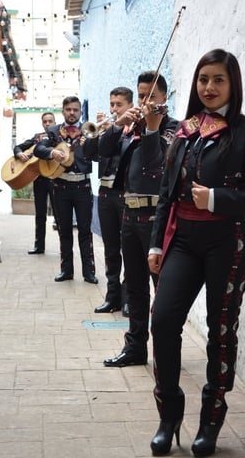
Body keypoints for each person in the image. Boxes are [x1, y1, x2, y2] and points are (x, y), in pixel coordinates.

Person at [147, 49, 245, 457]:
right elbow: (166, 193)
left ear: (232, 84)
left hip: (228, 242)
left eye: (218, 80)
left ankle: (210, 422)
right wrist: (155, 242)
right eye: (203, 79)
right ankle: (169, 416)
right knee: (163, 322)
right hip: (181, 239)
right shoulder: (181, 131)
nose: (209, 88)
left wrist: (216, 199)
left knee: (220, 334)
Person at [101, 71, 178, 367]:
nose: (145, 102)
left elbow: (155, 162)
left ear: (163, 98)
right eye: (141, 95)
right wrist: (119, 124)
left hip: (157, 218)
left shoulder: (172, 129)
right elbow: (102, 151)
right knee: (133, 287)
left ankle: (166, 349)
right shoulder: (130, 128)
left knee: (163, 288)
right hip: (128, 215)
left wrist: (150, 130)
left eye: (151, 96)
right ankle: (135, 348)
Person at [34, 96, 99, 284]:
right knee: (64, 230)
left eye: (75, 110)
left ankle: (89, 272)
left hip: (83, 186)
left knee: (85, 231)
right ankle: (66, 271)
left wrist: (92, 142)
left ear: (80, 112)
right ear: (63, 111)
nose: (72, 113)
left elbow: (96, 157)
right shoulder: (53, 131)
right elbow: (39, 148)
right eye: (68, 109)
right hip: (60, 186)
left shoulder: (88, 131)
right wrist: (51, 152)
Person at [83, 87, 134, 317]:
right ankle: (111, 297)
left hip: (125, 195)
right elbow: (89, 154)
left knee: (129, 250)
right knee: (111, 250)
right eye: (112, 104)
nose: (114, 109)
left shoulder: (133, 130)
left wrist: (116, 128)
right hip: (104, 194)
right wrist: (97, 131)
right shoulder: (106, 131)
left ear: (130, 106)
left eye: (119, 104)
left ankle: (129, 299)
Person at [13, 112, 58, 254]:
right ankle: (39, 246)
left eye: (50, 121)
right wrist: (19, 154)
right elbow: (18, 147)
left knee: (59, 215)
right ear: (42, 123)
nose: (47, 124)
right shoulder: (37, 138)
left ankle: (64, 248)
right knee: (40, 214)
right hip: (39, 180)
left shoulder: (60, 136)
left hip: (55, 180)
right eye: (45, 121)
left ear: (55, 122)